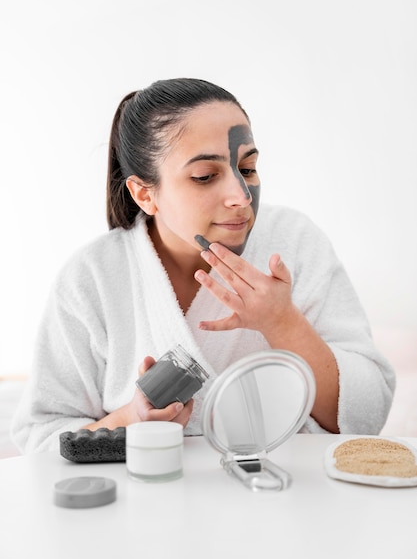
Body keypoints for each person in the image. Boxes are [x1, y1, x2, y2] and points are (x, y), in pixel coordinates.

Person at [11, 78, 395, 452]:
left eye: (247, 169)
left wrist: (282, 323)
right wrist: (135, 419)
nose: (241, 197)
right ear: (145, 193)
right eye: (205, 176)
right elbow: (41, 438)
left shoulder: (294, 241)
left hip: (283, 496)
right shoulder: (92, 276)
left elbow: (366, 413)